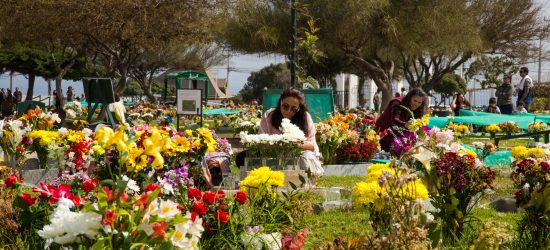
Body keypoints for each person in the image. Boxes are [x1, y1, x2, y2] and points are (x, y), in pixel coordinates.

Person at [256, 88, 324, 179]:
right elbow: (261, 139)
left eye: (294, 109)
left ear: (299, 108)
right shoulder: (269, 115)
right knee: (243, 157)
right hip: (273, 154)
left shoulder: (305, 117)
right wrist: (279, 144)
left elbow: (311, 146)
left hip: (299, 154)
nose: (288, 111)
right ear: (280, 102)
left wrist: (291, 145)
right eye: (285, 106)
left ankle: (311, 184)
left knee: (307, 156)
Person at [375, 88, 428, 152]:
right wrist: (406, 124)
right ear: (410, 98)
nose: (416, 104)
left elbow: (419, 123)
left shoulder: (419, 109)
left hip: (398, 141)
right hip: (381, 137)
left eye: (419, 102)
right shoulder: (397, 103)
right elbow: (395, 120)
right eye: (415, 101)